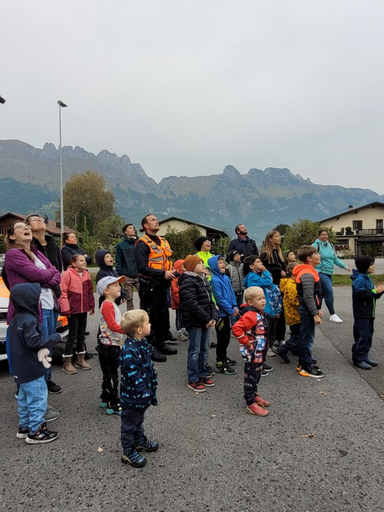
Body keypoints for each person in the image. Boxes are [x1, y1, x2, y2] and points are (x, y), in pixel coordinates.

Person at [4, 220, 61, 422]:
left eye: (25, 226)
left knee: (44, 354)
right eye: (19, 227)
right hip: (31, 312)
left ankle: (40, 403)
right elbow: (37, 274)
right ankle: (32, 411)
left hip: (49, 307)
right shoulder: (13, 255)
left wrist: (46, 277)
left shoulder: (37, 253)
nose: (25, 228)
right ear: (11, 236)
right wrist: (47, 276)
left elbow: (55, 273)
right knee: (31, 358)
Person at [9, 283, 61, 444]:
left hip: (20, 369)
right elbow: (34, 342)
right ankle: (36, 431)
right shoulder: (29, 320)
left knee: (24, 400)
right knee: (38, 399)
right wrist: (55, 338)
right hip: (32, 368)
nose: (39, 302)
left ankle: (24, 426)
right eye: (37, 299)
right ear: (28, 301)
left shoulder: (15, 320)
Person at [26, 213, 63, 395]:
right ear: (28, 227)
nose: (39, 220)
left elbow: (58, 271)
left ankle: (47, 379)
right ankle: (36, 380)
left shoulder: (53, 244)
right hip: (38, 300)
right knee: (40, 341)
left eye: (40, 218)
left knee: (49, 342)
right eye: (34, 219)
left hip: (53, 298)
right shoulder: (28, 246)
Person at [134, 214, 178, 362]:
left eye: (156, 219)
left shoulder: (163, 241)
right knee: (150, 318)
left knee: (162, 316)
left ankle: (161, 343)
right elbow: (141, 268)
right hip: (149, 286)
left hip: (162, 285)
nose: (156, 221)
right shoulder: (142, 243)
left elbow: (167, 261)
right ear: (145, 226)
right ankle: (151, 347)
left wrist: (172, 272)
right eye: (153, 220)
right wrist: (162, 273)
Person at [120, 309, 159, 468]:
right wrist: (143, 391)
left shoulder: (140, 343)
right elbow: (133, 375)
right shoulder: (129, 350)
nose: (150, 324)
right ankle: (127, 451)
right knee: (129, 423)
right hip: (133, 396)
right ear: (140, 330)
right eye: (148, 323)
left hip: (142, 395)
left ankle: (139, 441)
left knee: (138, 420)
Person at [179, 255, 218, 393]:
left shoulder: (203, 280)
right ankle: (193, 378)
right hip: (195, 322)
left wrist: (213, 317)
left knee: (204, 349)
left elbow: (210, 302)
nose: (203, 264)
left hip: (205, 321)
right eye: (199, 263)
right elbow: (191, 304)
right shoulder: (188, 281)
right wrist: (207, 319)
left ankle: (202, 374)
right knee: (195, 350)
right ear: (191, 266)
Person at [232, 286, 270, 417]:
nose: (263, 301)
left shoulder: (259, 312)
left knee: (257, 374)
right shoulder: (251, 315)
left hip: (259, 352)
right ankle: (250, 402)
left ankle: (254, 395)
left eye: (264, 298)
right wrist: (245, 341)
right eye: (259, 299)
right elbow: (236, 328)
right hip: (253, 353)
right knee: (251, 376)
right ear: (249, 302)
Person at [292, 246, 324, 379]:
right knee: (307, 338)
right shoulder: (307, 274)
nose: (319, 255)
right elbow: (308, 296)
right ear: (309, 258)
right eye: (316, 253)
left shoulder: (309, 271)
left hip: (308, 309)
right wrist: (314, 313)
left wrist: (317, 309)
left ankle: (303, 361)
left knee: (306, 336)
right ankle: (306, 367)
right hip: (307, 310)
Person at [59, 254, 95, 374]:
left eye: (85, 260)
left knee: (81, 334)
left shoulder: (86, 274)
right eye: (81, 260)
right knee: (72, 334)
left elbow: (90, 291)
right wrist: (66, 309)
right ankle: (67, 361)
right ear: (74, 263)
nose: (84, 262)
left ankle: (80, 359)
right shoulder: (67, 274)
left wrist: (91, 305)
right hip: (72, 310)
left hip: (83, 309)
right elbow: (63, 292)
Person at [243, 255, 282, 363]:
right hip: (260, 308)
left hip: (264, 307)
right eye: (258, 262)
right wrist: (265, 271)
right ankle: (260, 355)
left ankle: (266, 349)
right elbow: (268, 282)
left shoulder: (255, 276)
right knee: (262, 332)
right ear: (252, 266)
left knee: (268, 329)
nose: (261, 264)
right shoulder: (252, 277)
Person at [96, 275, 126, 415]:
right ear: (106, 291)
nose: (118, 287)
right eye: (115, 285)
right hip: (110, 346)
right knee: (113, 375)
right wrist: (129, 330)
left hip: (110, 345)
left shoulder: (111, 304)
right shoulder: (107, 304)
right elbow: (113, 326)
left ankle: (105, 397)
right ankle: (113, 404)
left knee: (108, 373)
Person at [351, 256, 384, 370]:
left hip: (369, 312)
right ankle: (358, 358)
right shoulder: (359, 280)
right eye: (371, 264)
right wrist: (375, 291)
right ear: (365, 266)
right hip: (362, 313)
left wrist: (380, 291)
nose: (374, 266)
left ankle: (365, 355)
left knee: (369, 334)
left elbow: (371, 295)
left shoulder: (368, 277)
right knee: (362, 335)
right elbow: (362, 295)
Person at [312, 229, 352, 323]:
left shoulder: (330, 246)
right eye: (322, 234)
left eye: (326, 234)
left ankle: (314, 310)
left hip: (329, 272)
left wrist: (345, 266)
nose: (325, 236)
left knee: (321, 294)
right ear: (319, 236)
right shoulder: (315, 245)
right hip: (320, 272)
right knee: (329, 291)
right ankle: (332, 314)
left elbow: (335, 259)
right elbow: (310, 257)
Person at [208, 255, 238, 375]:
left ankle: (224, 357)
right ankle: (220, 362)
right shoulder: (214, 280)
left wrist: (235, 306)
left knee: (227, 338)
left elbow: (232, 293)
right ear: (214, 265)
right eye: (219, 262)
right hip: (221, 314)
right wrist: (231, 310)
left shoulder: (226, 277)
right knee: (222, 338)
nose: (223, 264)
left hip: (228, 312)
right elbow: (219, 299)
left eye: (223, 262)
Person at [260, 230, 287, 348]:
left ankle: (280, 337)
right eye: (276, 236)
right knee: (272, 314)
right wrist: (277, 270)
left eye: (279, 235)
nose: (279, 237)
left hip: (282, 285)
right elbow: (263, 268)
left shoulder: (280, 253)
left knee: (282, 312)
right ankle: (270, 339)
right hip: (271, 286)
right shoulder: (265, 254)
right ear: (270, 239)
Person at [276, 262, 301, 363]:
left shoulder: (289, 283)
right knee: (298, 334)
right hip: (295, 315)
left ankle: (295, 348)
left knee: (296, 333)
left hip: (293, 315)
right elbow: (294, 301)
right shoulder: (291, 286)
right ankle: (284, 349)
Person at [115, 223, 140, 311]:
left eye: (133, 228)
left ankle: (143, 316)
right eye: (130, 228)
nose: (133, 229)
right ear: (125, 232)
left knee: (144, 297)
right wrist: (121, 275)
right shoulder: (121, 246)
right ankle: (131, 317)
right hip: (127, 276)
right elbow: (118, 261)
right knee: (129, 298)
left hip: (139, 275)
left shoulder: (139, 243)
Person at [170, 259, 189, 342]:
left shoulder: (184, 276)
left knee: (184, 316)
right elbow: (175, 291)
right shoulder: (176, 278)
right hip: (179, 302)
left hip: (184, 301)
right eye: (183, 265)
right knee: (179, 316)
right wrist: (179, 301)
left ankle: (183, 329)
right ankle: (179, 332)